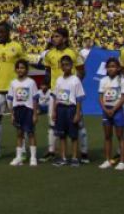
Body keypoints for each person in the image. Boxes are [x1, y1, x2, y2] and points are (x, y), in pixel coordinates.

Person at [41, 27, 88, 161]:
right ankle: (51, 151)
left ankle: (84, 152)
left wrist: (74, 85)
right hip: (55, 94)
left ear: (65, 38)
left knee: (79, 123)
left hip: (71, 94)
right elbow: (48, 71)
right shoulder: (49, 54)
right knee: (52, 122)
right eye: (53, 36)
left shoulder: (73, 53)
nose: (54, 39)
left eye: (57, 36)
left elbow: (81, 71)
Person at [0, 21, 26, 160]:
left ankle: (22, 150)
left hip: (15, 88)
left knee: (19, 121)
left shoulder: (17, 46)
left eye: (3, 31)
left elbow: (24, 65)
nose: (0, 34)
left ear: (9, 32)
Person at [50, 55, 84, 168]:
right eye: (63, 65)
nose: (65, 67)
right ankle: (63, 157)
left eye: (67, 64)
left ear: (71, 66)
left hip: (71, 109)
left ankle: (74, 158)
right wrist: (54, 111)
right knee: (61, 135)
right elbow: (56, 97)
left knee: (73, 136)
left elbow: (79, 98)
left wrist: (78, 113)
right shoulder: (59, 80)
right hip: (60, 109)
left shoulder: (75, 80)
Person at [98, 56, 124, 170]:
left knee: (120, 136)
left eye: (114, 66)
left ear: (118, 68)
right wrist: (105, 109)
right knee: (107, 136)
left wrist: (114, 109)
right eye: (109, 67)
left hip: (118, 110)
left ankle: (122, 162)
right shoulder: (103, 80)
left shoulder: (122, 80)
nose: (111, 69)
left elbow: (123, 97)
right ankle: (107, 160)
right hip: (106, 111)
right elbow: (100, 97)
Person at [8, 60, 39, 167]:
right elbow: (11, 99)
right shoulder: (13, 83)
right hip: (17, 110)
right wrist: (12, 114)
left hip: (28, 110)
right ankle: (18, 157)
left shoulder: (31, 82)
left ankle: (33, 157)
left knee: (30, 133)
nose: (20, 70)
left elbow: (35, 99)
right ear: (15, 69)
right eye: (18, 68)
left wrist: (35, 113)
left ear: (26, 69)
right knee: (19, 133)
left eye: (22, 68)